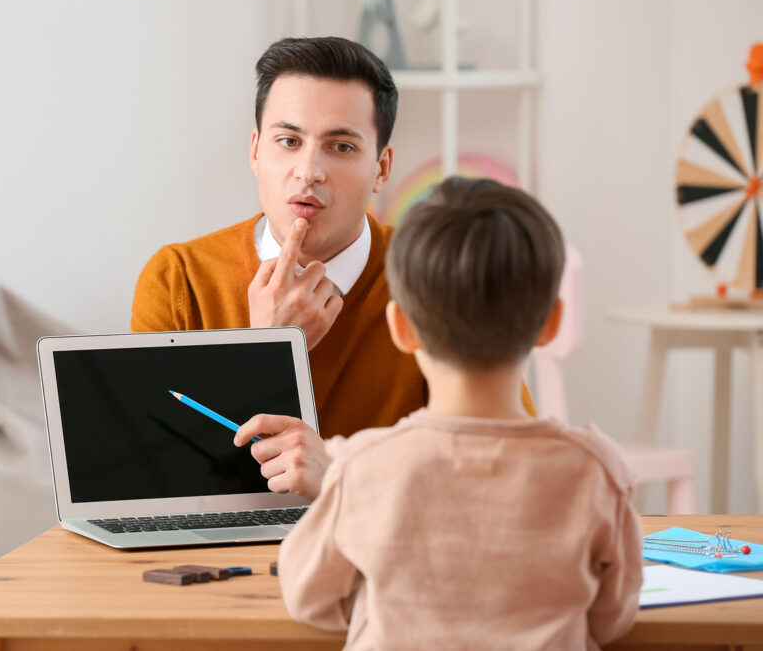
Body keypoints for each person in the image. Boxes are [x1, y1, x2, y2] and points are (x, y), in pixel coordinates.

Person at [131, 37, 535, 499]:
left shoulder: (443, 276)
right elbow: (154, 481)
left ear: (381, 168)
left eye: (341, 147)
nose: (309, 171)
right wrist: (266, 353)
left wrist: (343, 479)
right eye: (288, 141)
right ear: (256, 152)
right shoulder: (177, 278)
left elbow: (509, 469)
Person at [278, 177, 643, 650]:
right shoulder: (596, 470)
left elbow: (307, 596)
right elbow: (614, 617)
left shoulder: (362, 466)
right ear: (551, 324)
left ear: (401, 328)